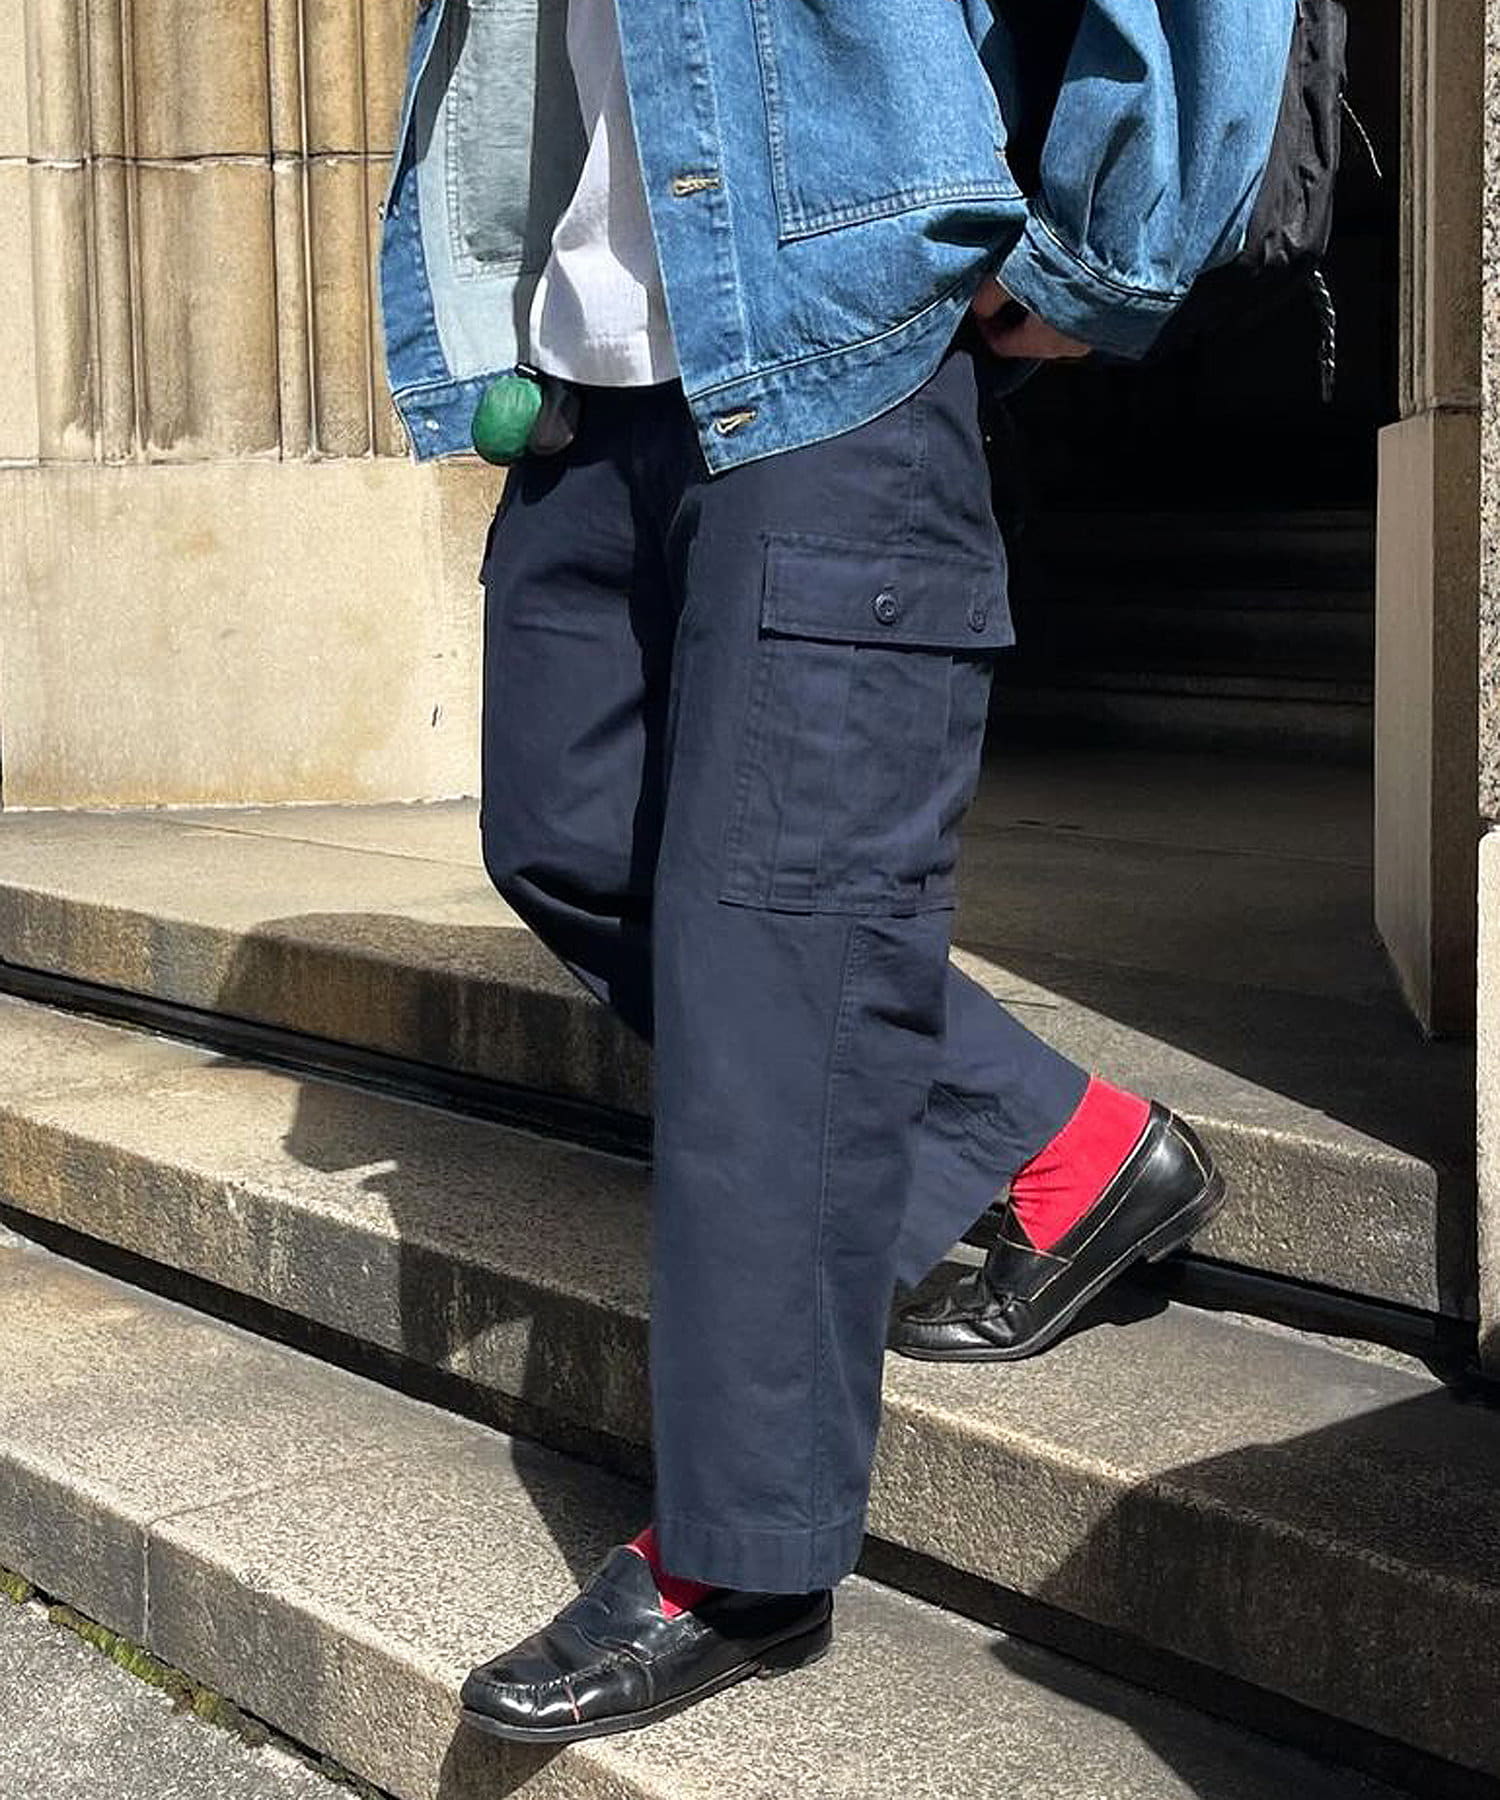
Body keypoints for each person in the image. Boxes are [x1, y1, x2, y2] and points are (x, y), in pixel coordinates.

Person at [378, 0, 1292, 1745]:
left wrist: (1115, 240)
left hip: (833, 350)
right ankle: (1072, 1145)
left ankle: (744, 1563)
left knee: (777, 952)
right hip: (588, 375)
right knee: (565, 837)